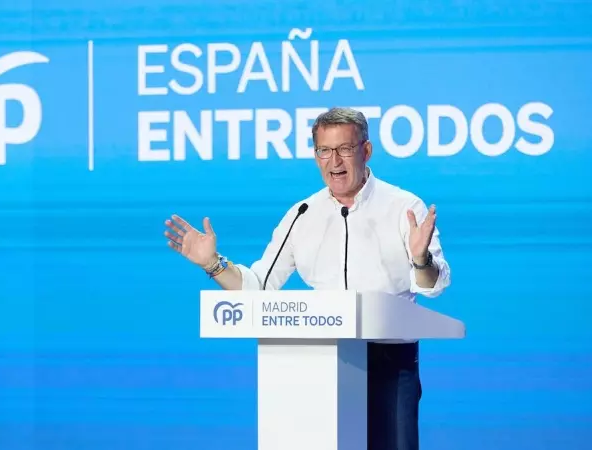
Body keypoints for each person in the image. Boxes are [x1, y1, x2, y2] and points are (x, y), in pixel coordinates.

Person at [163, 107, 451, 450]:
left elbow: (433, 285)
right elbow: (258, 287)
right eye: (324, 151)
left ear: (366, 150)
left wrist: (420, 258)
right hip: (321, 366)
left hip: (390, 363)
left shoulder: (404, 206)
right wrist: (213, 264)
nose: (334, 161)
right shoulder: (303, 214)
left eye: (344, 149)